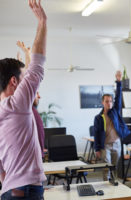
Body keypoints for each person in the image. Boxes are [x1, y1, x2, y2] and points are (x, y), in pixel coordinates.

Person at [0, 0, 47, 199]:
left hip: (11, 190)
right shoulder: (16, 104)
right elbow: (36, 67)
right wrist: (42, 22)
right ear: (13, 81)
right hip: (24, 191)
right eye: (21, 77)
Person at [94, 71, 131, 180]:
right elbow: (96, 133)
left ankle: (114, 187)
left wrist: (119, 82)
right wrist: (97, 149)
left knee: (114, 167)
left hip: (117, 144)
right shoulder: (98, 117)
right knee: (107, 168)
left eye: (110, 101)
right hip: (105, 146)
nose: (109, 103)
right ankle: (107, 187)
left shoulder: (115, 111)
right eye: (106, 101)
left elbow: (119, 97)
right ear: (102, 103)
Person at [17, 41, 45, 158]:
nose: (39, 96)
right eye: (36, 93)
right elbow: (29, 78)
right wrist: (27, 55)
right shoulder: (26, 107)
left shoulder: (32, 110)